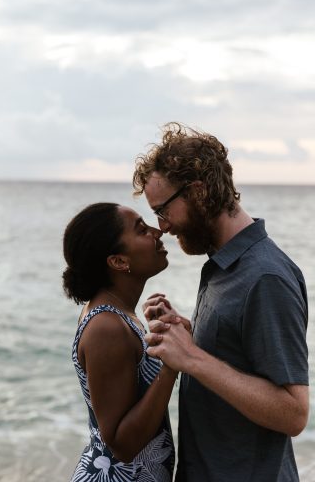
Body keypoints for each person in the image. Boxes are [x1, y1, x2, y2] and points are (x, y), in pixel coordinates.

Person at [132, 123, 309, 482]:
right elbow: (241, 357)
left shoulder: (265, 277)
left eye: (163, 211)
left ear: (197, 192)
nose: (162, 227)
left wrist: (192, 358)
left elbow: (293, 413)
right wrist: (190, 335)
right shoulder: (223, 264)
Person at [63, 202, 189, 482]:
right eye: (142, 229)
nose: (158, 232)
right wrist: (171, 365)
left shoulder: (121, 315)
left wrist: (164, 335)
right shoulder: (107, 327)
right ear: (118, 261)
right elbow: (122, 445)